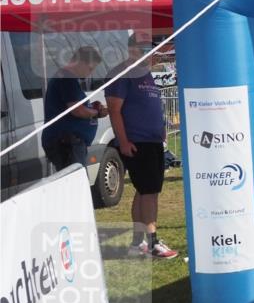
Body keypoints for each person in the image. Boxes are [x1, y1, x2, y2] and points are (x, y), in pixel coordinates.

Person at [106, 33, 177, 259]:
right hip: (138, 142)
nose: (150, 53)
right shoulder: (122, 73)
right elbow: (115, 109)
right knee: (149, 192)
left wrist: (161, 129)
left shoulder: (145, 74)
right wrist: (124, 141)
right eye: (145, 48)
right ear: (133, 49)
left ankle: (138, 244)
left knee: (144, 191)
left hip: (153, 141)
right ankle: (153, 242)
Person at [41, 46, 107, 171]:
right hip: (67, 144)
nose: (90, 73)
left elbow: (76, 107)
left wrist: (91, 107)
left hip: (69, 143)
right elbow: (77, 111)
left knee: (74, 182)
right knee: (75, 184)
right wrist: (97, 112)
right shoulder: (67, 78)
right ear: (81, 62)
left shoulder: (67, 78)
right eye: (90, 68)